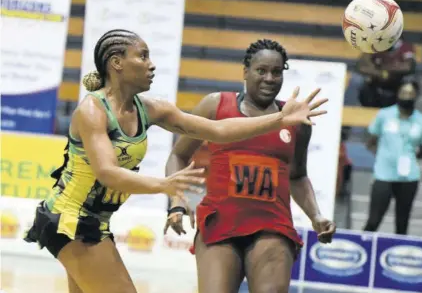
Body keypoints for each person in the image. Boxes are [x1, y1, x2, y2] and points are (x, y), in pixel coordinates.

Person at [23, 30, 328, 293]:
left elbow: (219, 130)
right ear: (116, 63)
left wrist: (278, 119)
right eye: (142, 56)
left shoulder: (152, 109)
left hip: (93, 222)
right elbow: (107, 174)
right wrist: (164, 186)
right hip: (69, 220)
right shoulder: (93, 111)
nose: (151, 64)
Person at [164, 39, 337, 293]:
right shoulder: (215, 106)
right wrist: (177, 201)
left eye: (277, 72)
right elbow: (178, 156)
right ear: (245, 71)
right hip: (220, 222)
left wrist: (316, 215)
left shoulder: (296, 120)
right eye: (261, 70)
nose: (269, 78)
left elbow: (297, 176)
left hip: (273, 226)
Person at [364, 79, 422, 235]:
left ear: (416, 96)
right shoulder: (384, 115)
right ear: (397, 94)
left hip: (409, 177)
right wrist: (384, 156)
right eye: (403, 92)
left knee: (402, 223)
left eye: (410, 93)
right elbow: (371, 142)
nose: (406, 96)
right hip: (384, 174)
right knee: (373, 220)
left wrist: (409, 156)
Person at [356, 36, 416, 108]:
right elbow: (361, 66)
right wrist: (380, 73)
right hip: (376, 82)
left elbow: (407, 67)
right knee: (357, 80)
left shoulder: (405, 46)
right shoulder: (375, 45)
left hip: (397, 82)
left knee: (410, 84)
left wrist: (384, 69)